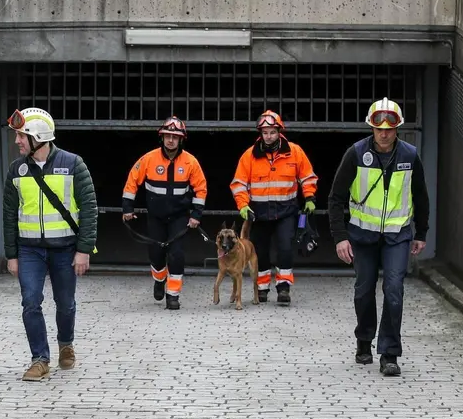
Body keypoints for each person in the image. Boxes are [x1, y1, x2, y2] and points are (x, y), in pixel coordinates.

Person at [327, 97, 430, 377]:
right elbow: (336, 197)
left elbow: (420, 196)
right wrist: (340, 237)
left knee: (394, 290)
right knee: (364, 291)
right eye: (378, 127)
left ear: (397, 128)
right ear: (371, 128)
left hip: (397, 235)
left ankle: (389, 353)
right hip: (363, 236)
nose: (384, 133)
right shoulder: (357, 154)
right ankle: (364, 339)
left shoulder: (409, 156)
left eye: (390, 127)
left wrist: (420, 232)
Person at [2, 107, 97, 382]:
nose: (17, 141)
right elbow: (9, 214)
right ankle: (39, 359)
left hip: (65, 248)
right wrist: (12, 255)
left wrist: (84, 250)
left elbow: (89, 208)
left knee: (65, 303)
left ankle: (65, 344)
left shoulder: (73, 164)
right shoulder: (16, 170)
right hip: (29, 249)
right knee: (30, 302)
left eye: (21, 136)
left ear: (37, 137)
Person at [229, 110, 318, 306]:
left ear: (279, 132)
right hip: (259, 214)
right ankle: (261, 289)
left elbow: (307, 176)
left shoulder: (294, 152)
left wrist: (309, 196)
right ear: (260, 134)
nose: (268, 136)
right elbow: (238, 183)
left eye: (272, 132)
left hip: (286, 211)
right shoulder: (249, 156)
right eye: (265, 132)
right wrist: (243, 205)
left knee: (285, 249)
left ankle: (284, 288)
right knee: (260, 251)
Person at [121, 115, 208, 310]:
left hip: (179, 217)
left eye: (175, 137)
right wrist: (127, 208)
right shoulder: (148, 159)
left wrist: (196, 215)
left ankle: (173, 295)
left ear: (181, 139)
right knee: (156, 254)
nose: (171, 140)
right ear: (162, 138)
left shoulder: (190, 162)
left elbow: (200, 189)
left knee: (177, 255)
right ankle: (159, 280)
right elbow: (132, 182)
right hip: (156, 217)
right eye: (167, 136)